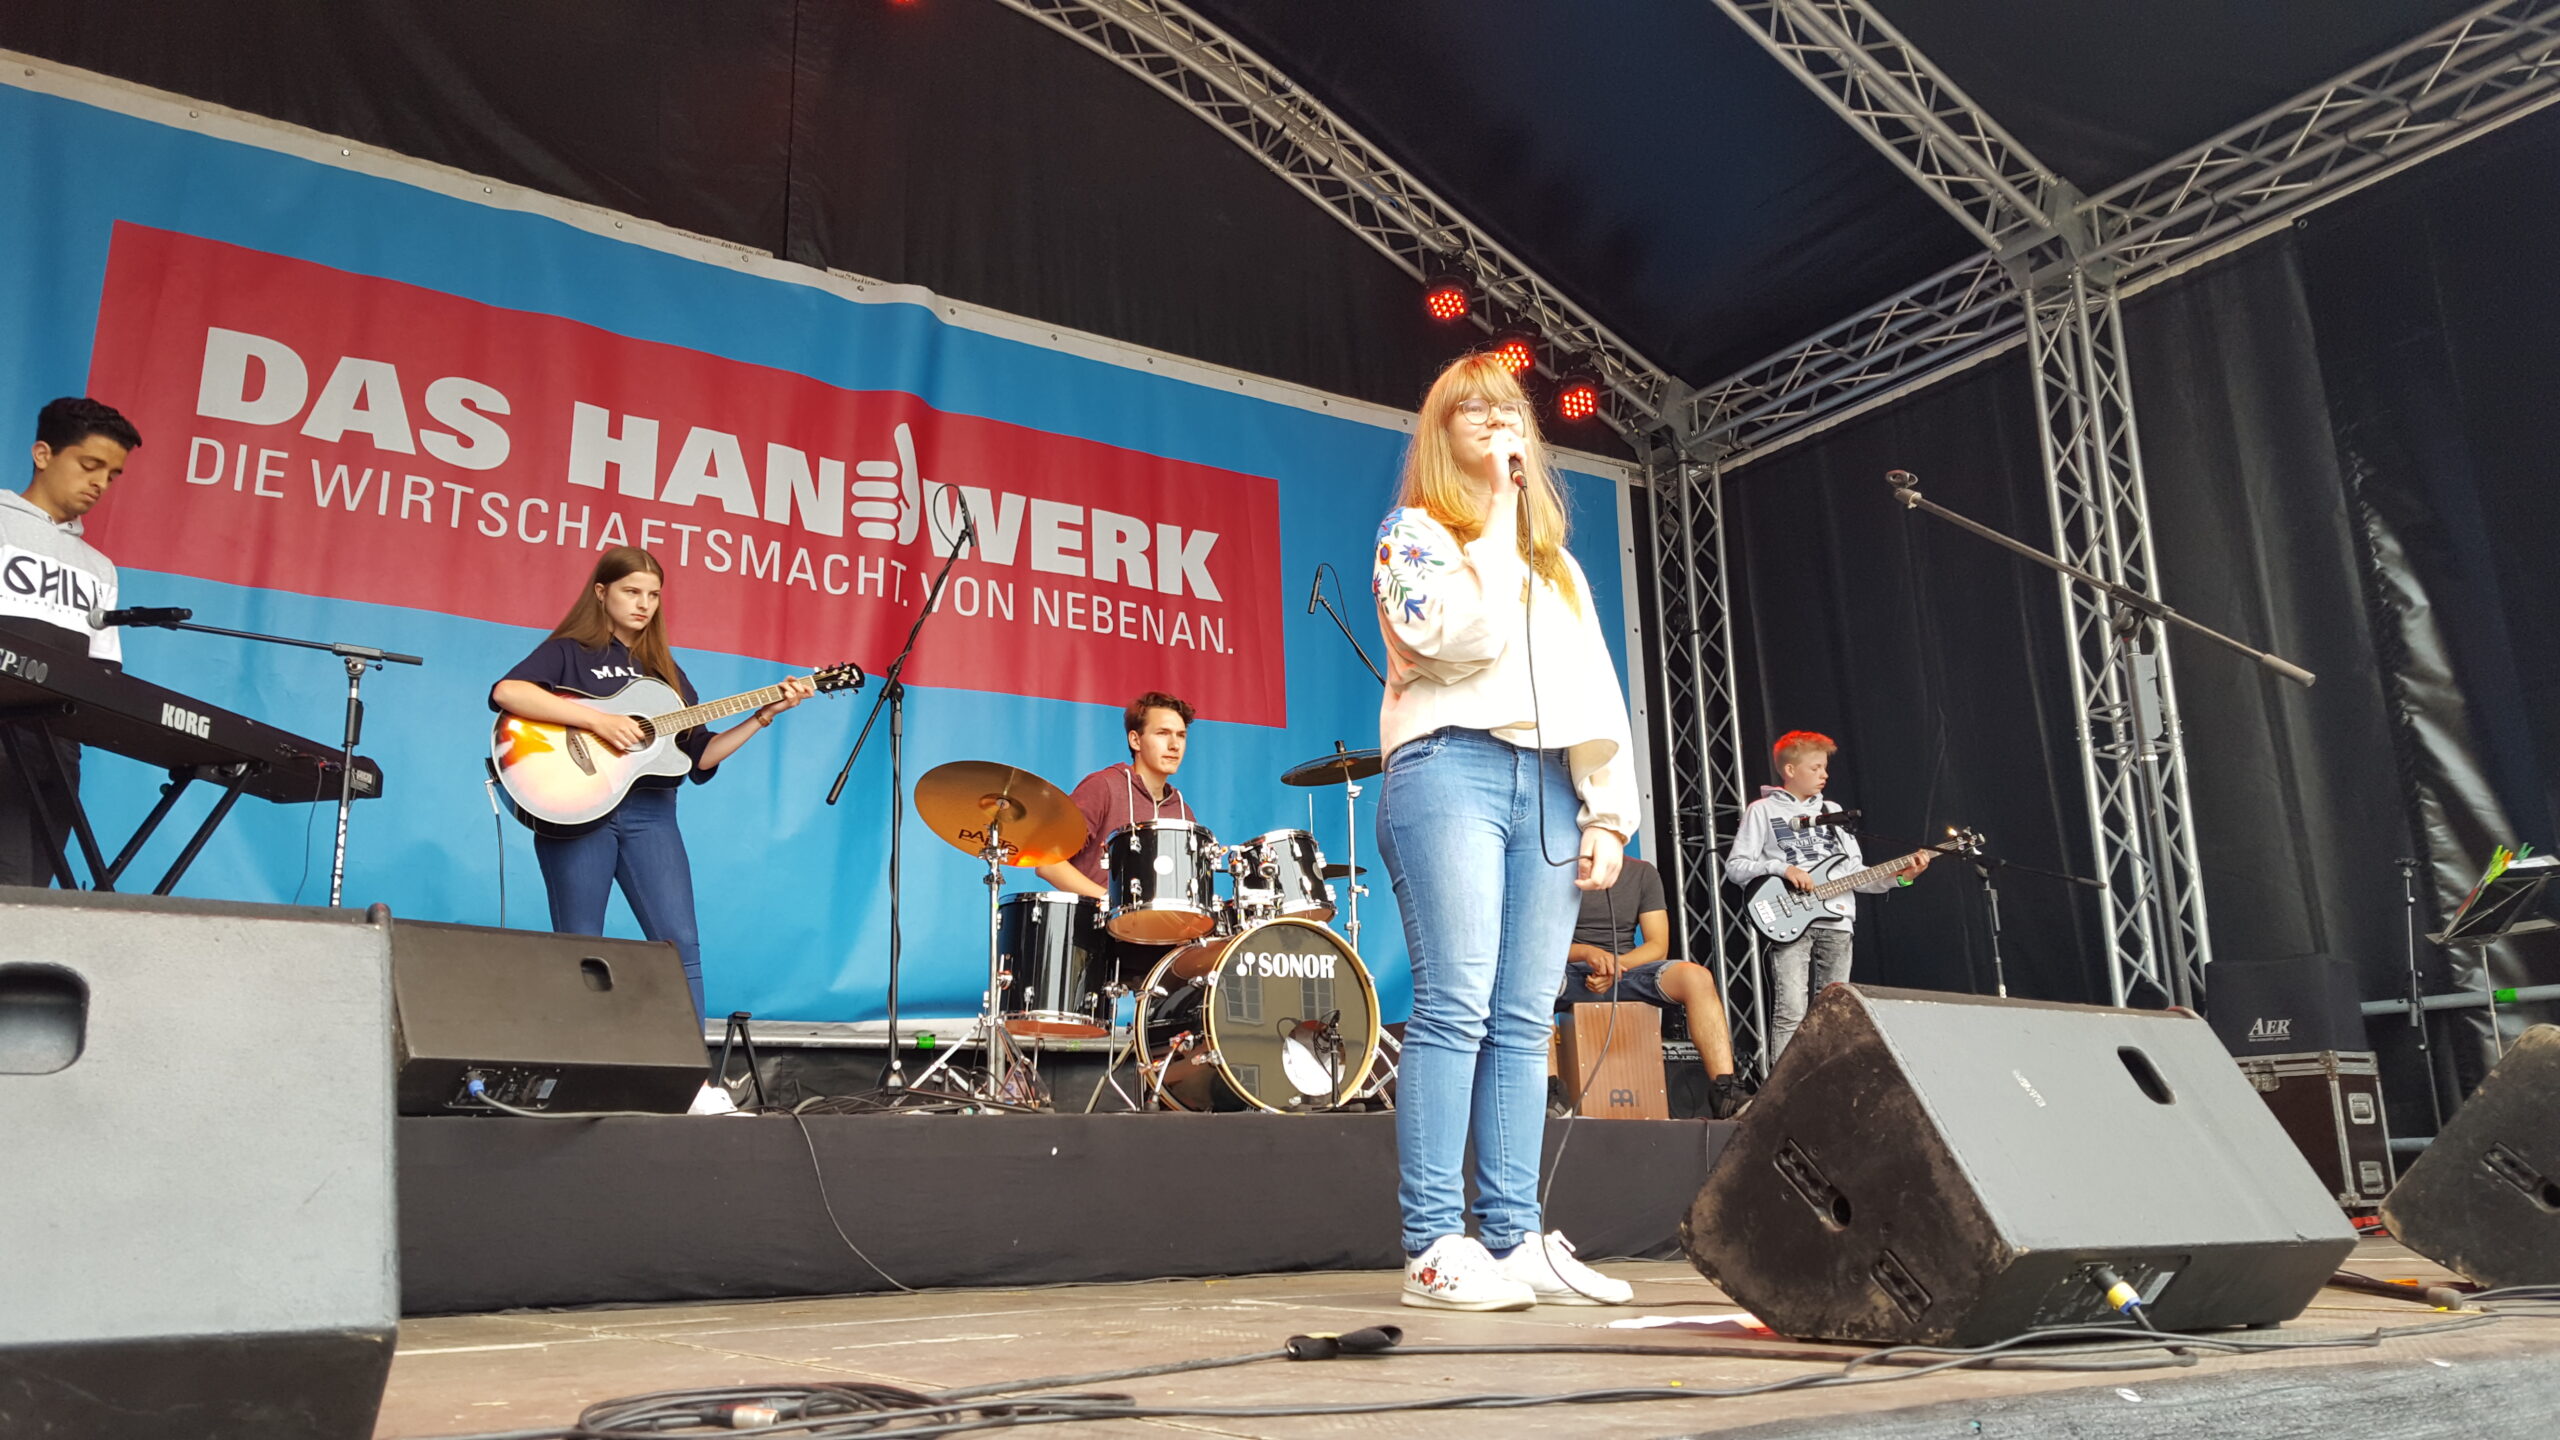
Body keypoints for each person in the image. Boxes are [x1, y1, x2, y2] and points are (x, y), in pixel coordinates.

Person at [1373, 351, 1640, 1312]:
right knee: (1457, 1004)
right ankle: (1432, 1244)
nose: (1496, 421)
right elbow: (1454, 640)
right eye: (1473, 410)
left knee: (1527, 1018)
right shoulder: (1413, 536)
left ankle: (1515, 1235)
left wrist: (1608, 810)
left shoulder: (1555, 566)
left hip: (1552, 784)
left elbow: (1594, 689)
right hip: (1450, 766)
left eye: (1509, 410)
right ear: (1442, 433)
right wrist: (1492, 511)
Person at [490, 547, 813, 1016]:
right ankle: (582, 1055)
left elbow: (700, 755)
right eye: (631, 592)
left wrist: (763, 715)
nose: (644, 604)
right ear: (601, 593)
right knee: (580, 944)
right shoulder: (568, 652)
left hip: (652, 816)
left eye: (653, 595)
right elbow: (509, 692)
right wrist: (598, 721)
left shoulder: (666, 673)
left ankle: (693, 1061)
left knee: (680, 943)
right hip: (578, 810)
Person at [0, 397, 141, 886]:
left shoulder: (100, 567)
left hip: (57, 754)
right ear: (43, 454)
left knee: (35, 897)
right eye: (90, 465)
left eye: (113, 474)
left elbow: (104, 673)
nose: (100, 483)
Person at [1726, 730, 1930, 1064]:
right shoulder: (1762, 810)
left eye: (1825, 767)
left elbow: (1856, 874)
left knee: (1834, 1014)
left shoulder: (1834, 812)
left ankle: (1826, 1084)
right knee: (1791, 1009)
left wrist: (1902, 878)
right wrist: (1782, 868)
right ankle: (1784, 1090)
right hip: (1791, 918)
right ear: (1790, 770)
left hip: (1838, 922)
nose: (1824, 774)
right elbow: (1736, 867)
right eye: (1816, 767)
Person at [1560, 854, 1752, 1119]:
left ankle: (1726, 1091)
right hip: (1565, 969)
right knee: (1522, 988)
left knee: (1696, 977)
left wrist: (1616, 965)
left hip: (1626, 970)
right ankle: (1550, 1097)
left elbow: (1657, 945)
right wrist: (1586, 953)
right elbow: (1537, 942)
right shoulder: (1555, 868)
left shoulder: (1642, 872)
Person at [1034, 692, 1198, 900]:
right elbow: (1047, 862)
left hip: (1159, 921)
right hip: (1097, 919)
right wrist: (1112, 902)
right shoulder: (1104, 786)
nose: (1174, 745)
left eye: (1181, 735)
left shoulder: (1183, 812)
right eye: (1162, 733)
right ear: (1135, 740)